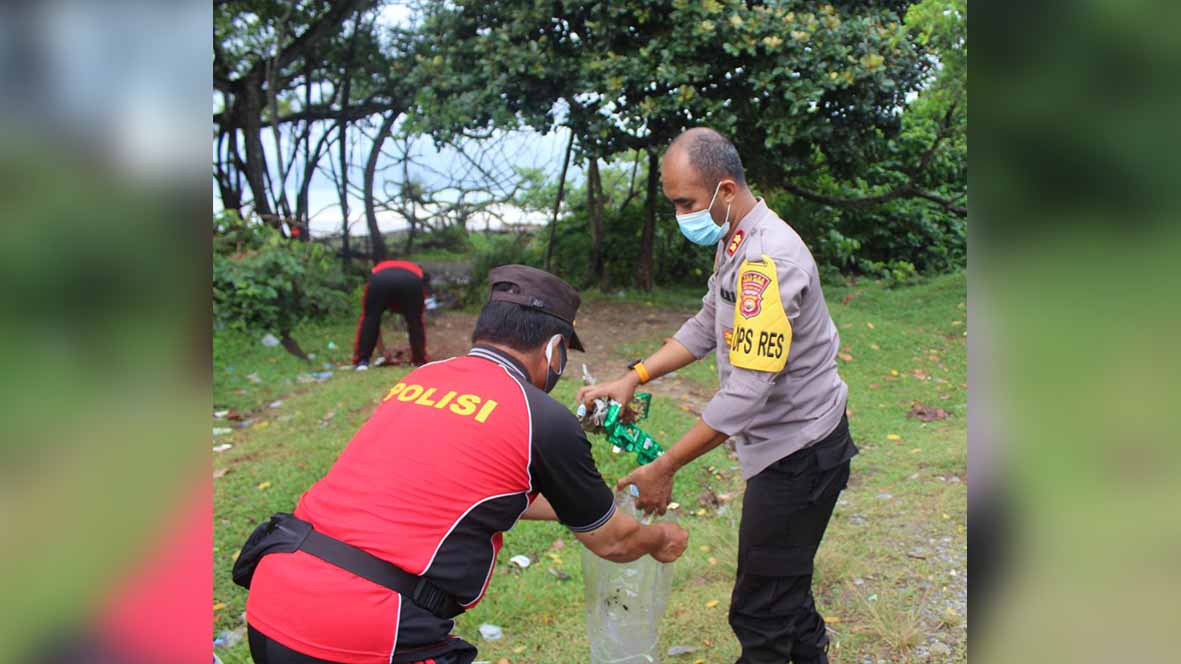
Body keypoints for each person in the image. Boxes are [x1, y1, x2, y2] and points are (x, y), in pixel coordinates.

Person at [243, 265, 689, 664]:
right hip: (366, 630)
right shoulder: (541, 416)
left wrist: (587, 509)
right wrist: (661, 537)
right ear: (555, 349)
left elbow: (468, 489)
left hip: (273, 597)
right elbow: (614, 545)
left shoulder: (423, 379)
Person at [578, 128, 858, 664]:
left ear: (724, 190)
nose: (681, 213)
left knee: (761, 609)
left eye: (686, 202)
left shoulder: (769, 262)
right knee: (783, 588)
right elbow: (709, 320)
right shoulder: (737, 241)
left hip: (800, 455)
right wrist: (634, 376)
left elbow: (746, 395)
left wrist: (666, 464)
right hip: (786, 448)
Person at [352, 260, 431, 369]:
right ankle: (419, 360)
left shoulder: (380, 267)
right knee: (415, 321)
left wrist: (381, 351)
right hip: (411, 283)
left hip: (380, 281)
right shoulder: (417, 271)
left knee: (370, 318)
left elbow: (373, 322)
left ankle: (362, 361)